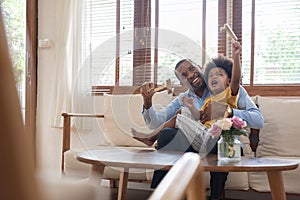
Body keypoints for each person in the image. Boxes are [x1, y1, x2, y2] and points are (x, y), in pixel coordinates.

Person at [138, 43, 264, 200]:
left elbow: (258, 120)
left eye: (192, 69)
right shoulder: (183, 99)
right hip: (197, 143)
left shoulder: (227, 88)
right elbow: (155, 124)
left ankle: (216, 196)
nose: (190, 75)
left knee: (220, 136)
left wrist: (226, 111)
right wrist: (148, 103)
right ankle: (162, 193)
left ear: (200, 67)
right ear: (182, 82)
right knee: (166, 134)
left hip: (224, 145)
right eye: (184, 75)